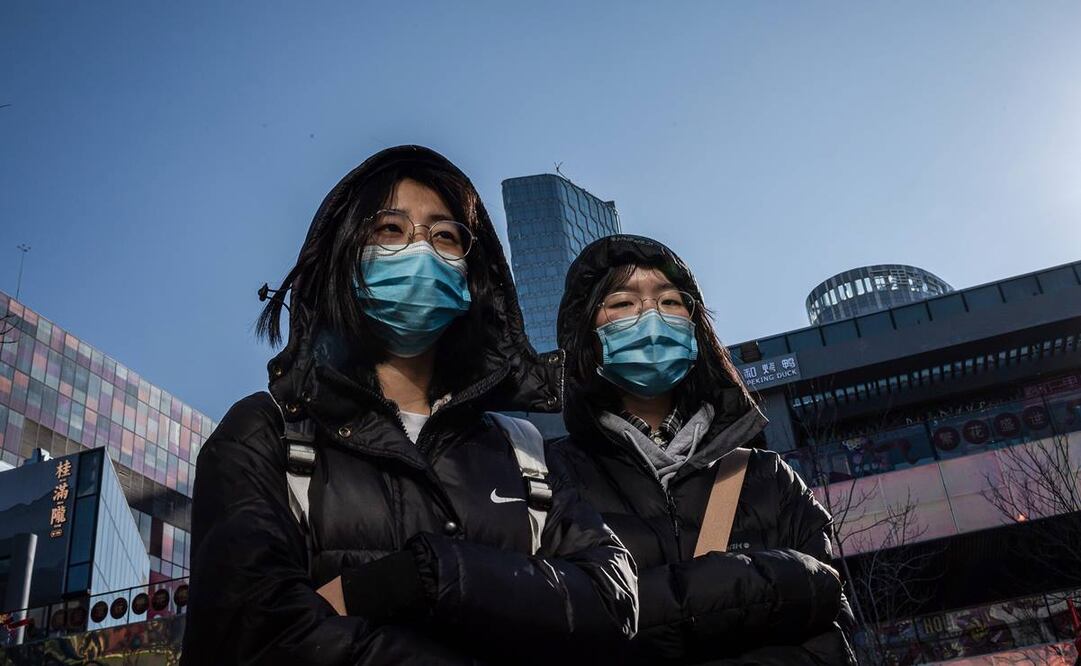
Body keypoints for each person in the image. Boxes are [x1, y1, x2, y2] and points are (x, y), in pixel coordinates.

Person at [180, 146, 637, 665]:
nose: (420, 251)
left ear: (471, 277)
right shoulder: (265, 434)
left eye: (445, 236)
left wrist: (428, 576)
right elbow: (249, 636)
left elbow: (611, 598)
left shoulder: (527, 451)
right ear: (345, 262)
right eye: (390, 230)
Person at [548, 234, 856, 665]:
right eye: (623, 303)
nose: (651, 316)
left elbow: (831, 630)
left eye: (671, 302)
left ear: (696, 329)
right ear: (586, 331)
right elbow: (560, 627)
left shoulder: (766, 476)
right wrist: (753, 590)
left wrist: (647, 607)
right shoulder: (549, 477)